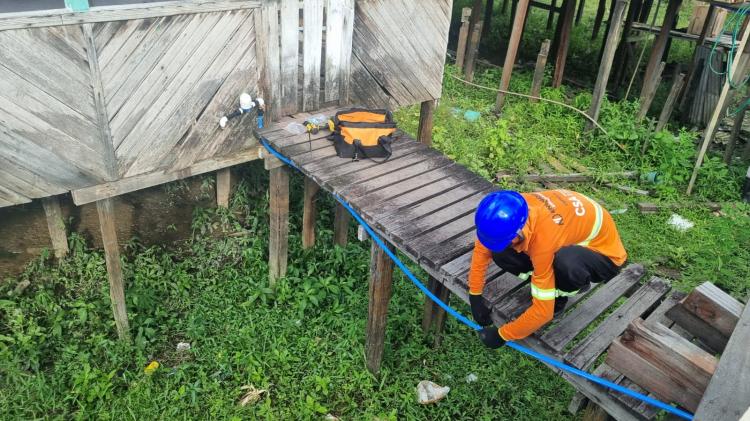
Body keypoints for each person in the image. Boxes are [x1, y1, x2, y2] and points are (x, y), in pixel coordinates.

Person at [469, 190, 627, 349]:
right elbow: (483, 248)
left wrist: (501, 335)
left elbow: (543, 312)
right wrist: (474, 295)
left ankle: (561, 295)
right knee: (500, 252)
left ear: (519, 231)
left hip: (605, 255)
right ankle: (549, 280)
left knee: (566, 264)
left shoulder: (544, 241)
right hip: (570, 225)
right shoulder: (511, 209)